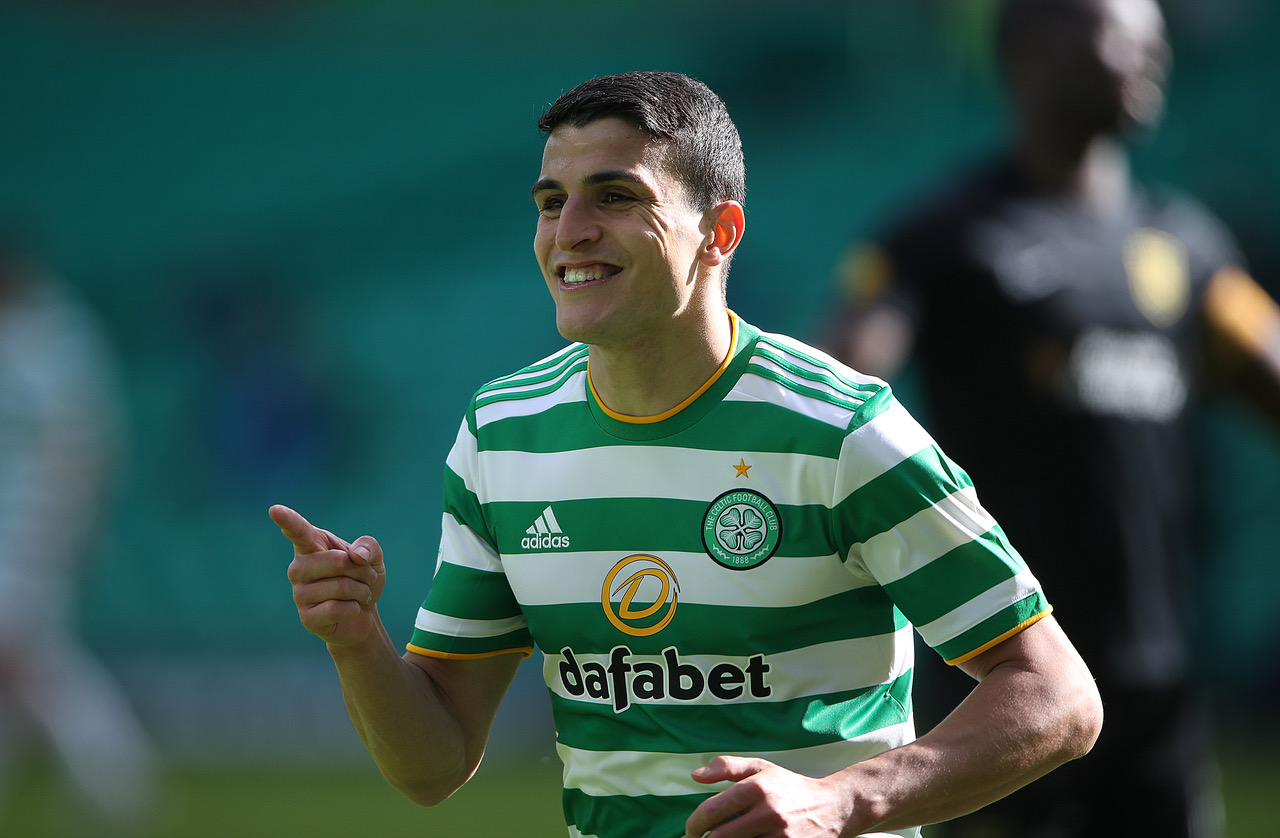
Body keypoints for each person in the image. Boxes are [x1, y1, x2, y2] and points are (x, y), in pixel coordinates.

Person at [272, 70, 1103, 838]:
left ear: (719, 231)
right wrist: (356, 641)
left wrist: (838, 800)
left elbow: (1059, 697)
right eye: (549, 200)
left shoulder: (839, 428)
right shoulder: (503, 432)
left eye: (614, 196)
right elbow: (433, 762)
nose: (570, 231)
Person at [825, 1, 1280, 836]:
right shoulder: (946, 238)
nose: (1155, 51)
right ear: (1031, 46)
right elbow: (837, 394)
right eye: (1125, 31)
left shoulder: (1188, 246)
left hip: (1160, 692)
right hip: (1001, 679)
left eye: (1159, 35)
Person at [0, 227, 157, 831]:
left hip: (33, 527)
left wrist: (60, 525)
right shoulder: (21, 333)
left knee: (29, 656)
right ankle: (109, 781)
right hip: (20, 525)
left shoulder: (55, 336)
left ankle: (118, 778)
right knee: (24, 660)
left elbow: (81, 444)